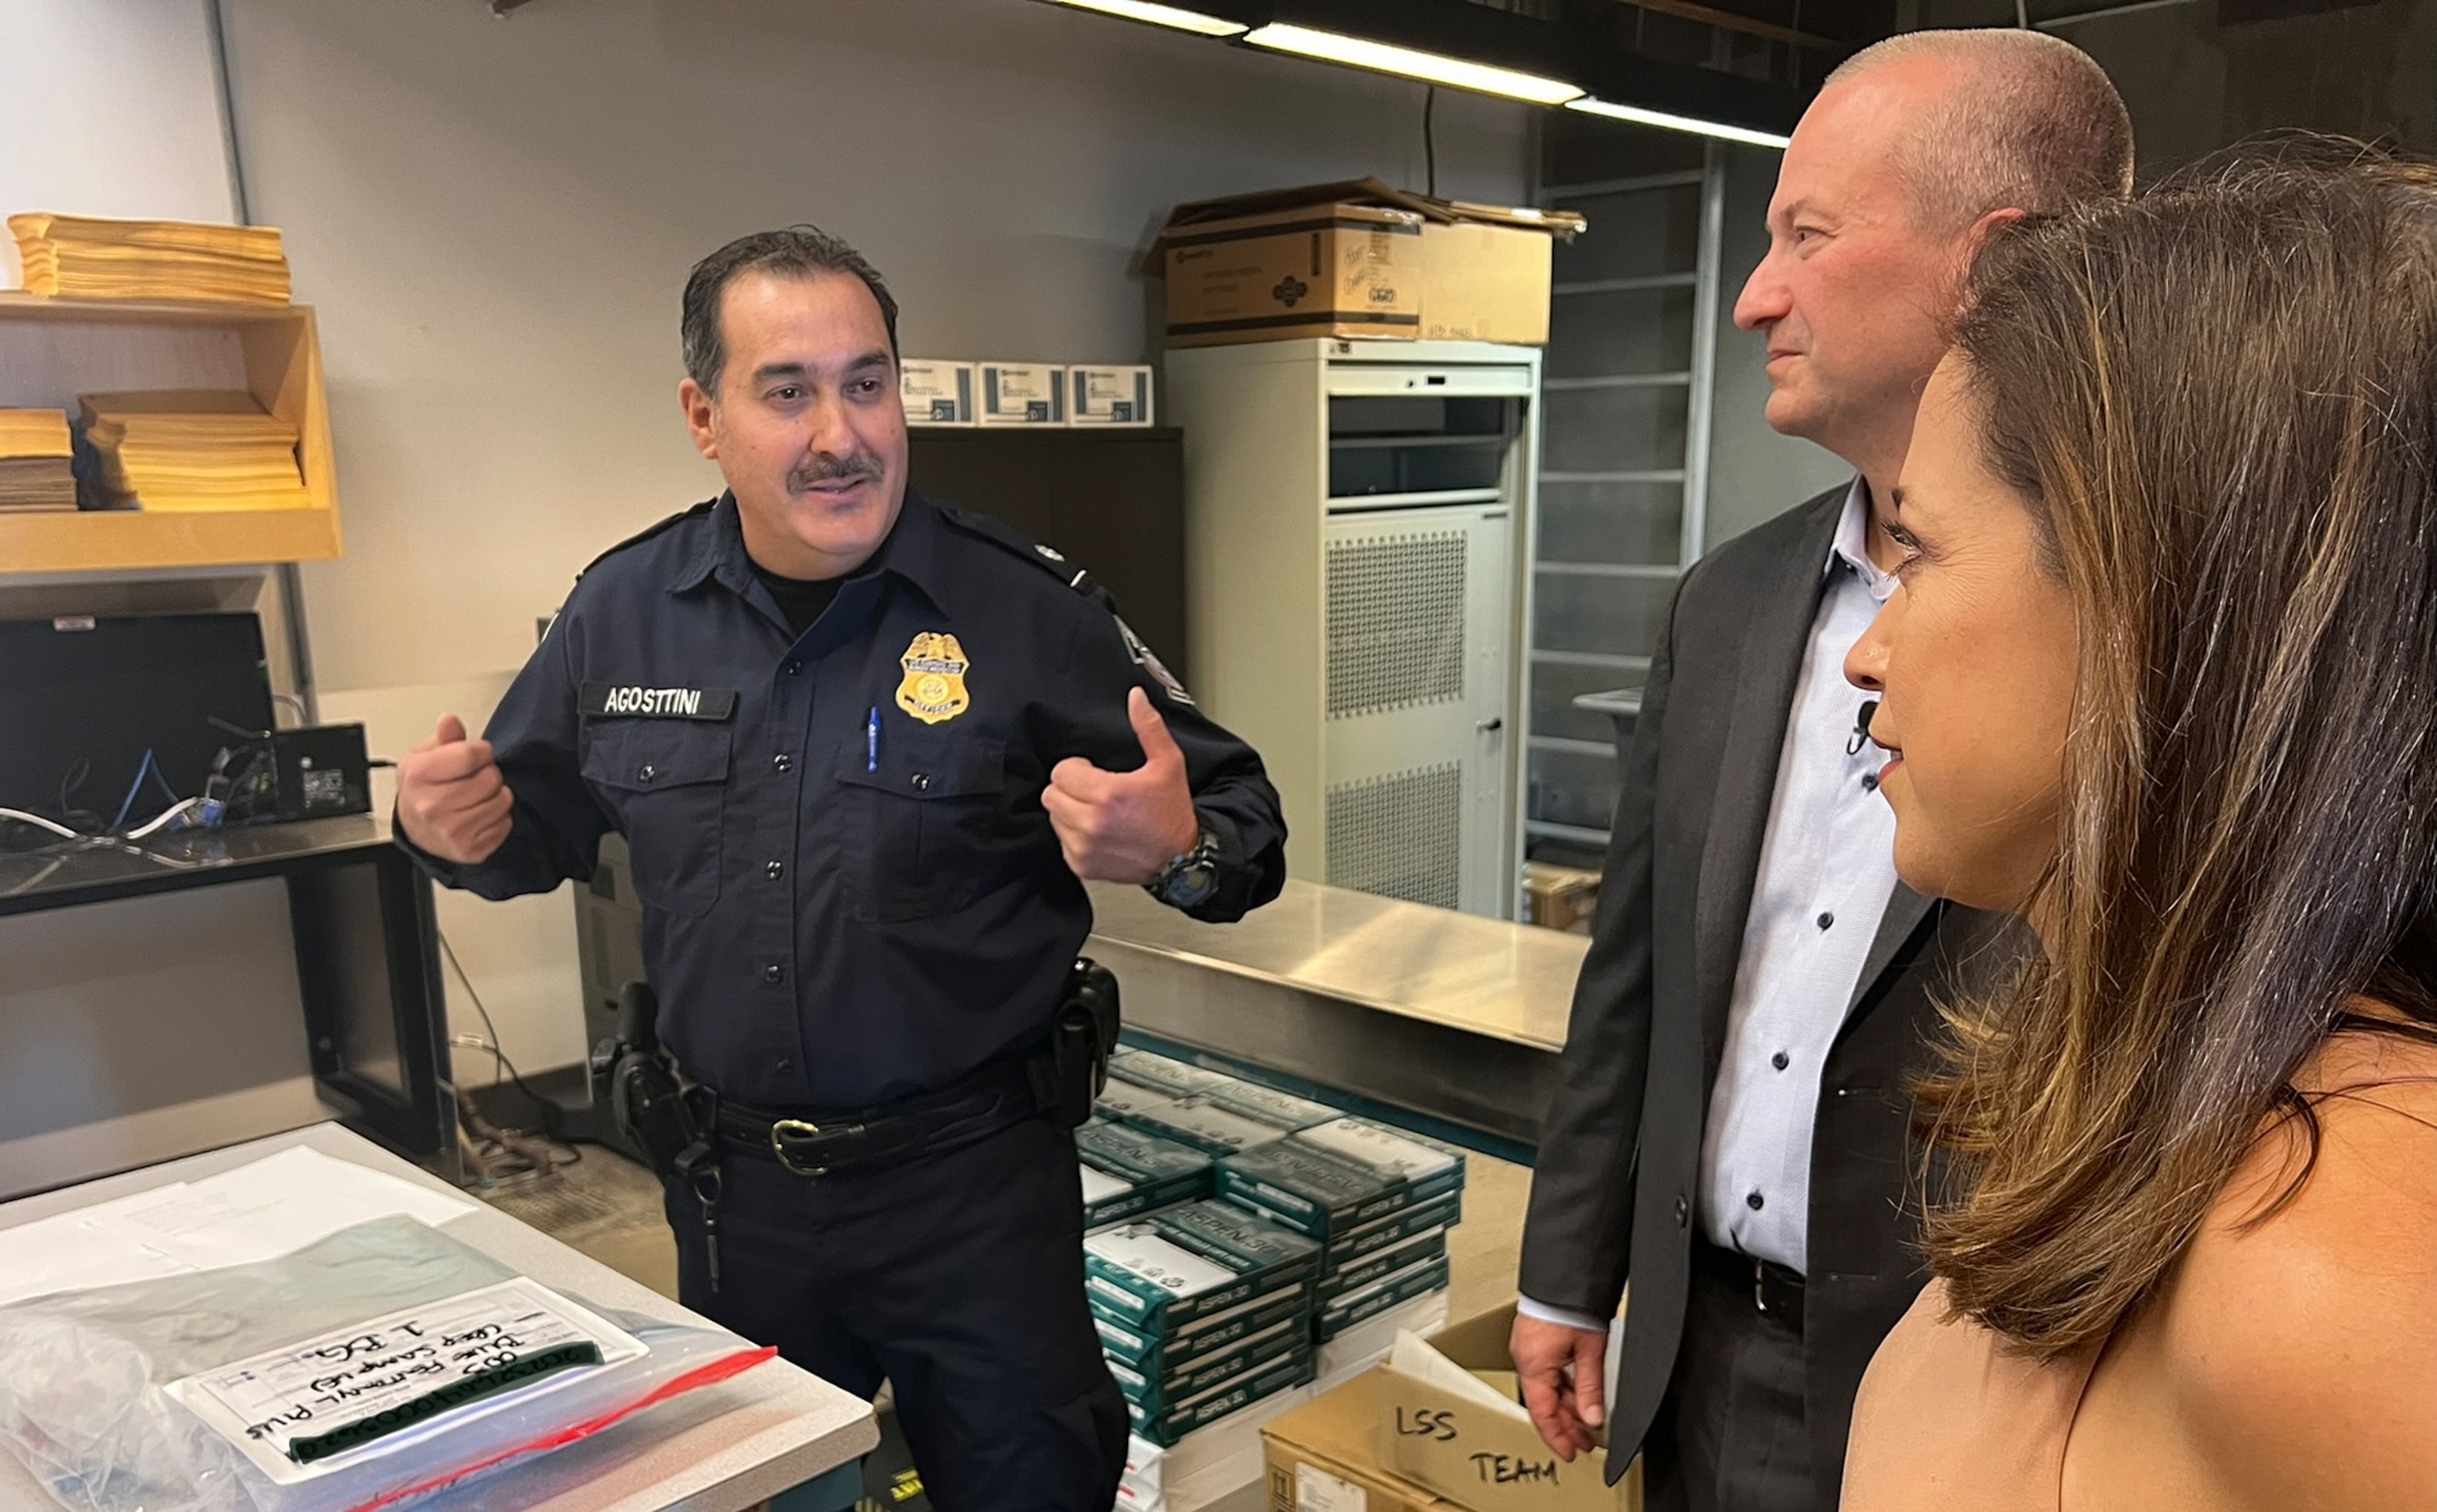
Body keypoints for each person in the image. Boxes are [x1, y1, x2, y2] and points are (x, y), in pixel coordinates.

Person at [392, 225, 1288, 1510]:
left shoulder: (1026, 613)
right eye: (788, 390)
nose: (840, 432)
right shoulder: (619, 612)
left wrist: (1178, 851)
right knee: (762, 1495)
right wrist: (443, 831)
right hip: (733, 1199)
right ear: (704, 416)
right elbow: (521, 827)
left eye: (868, 383)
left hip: (975, 1200)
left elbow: (1242, 823)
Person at [1512, 29, 2132, 1512]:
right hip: (1701, 1354)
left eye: (1808, 235)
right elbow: (1637, 972)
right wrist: (1568, 1268)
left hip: (1990, 1389)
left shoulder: (2153, 629)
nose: (1754, 293)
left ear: (2002, 263)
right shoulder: (1728, 602)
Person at [1837, 144, 2437, 1511]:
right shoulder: (2195, 1084)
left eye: (1916, 551)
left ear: (2137, 598)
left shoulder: (2335, 1258)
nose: (1870, 652)